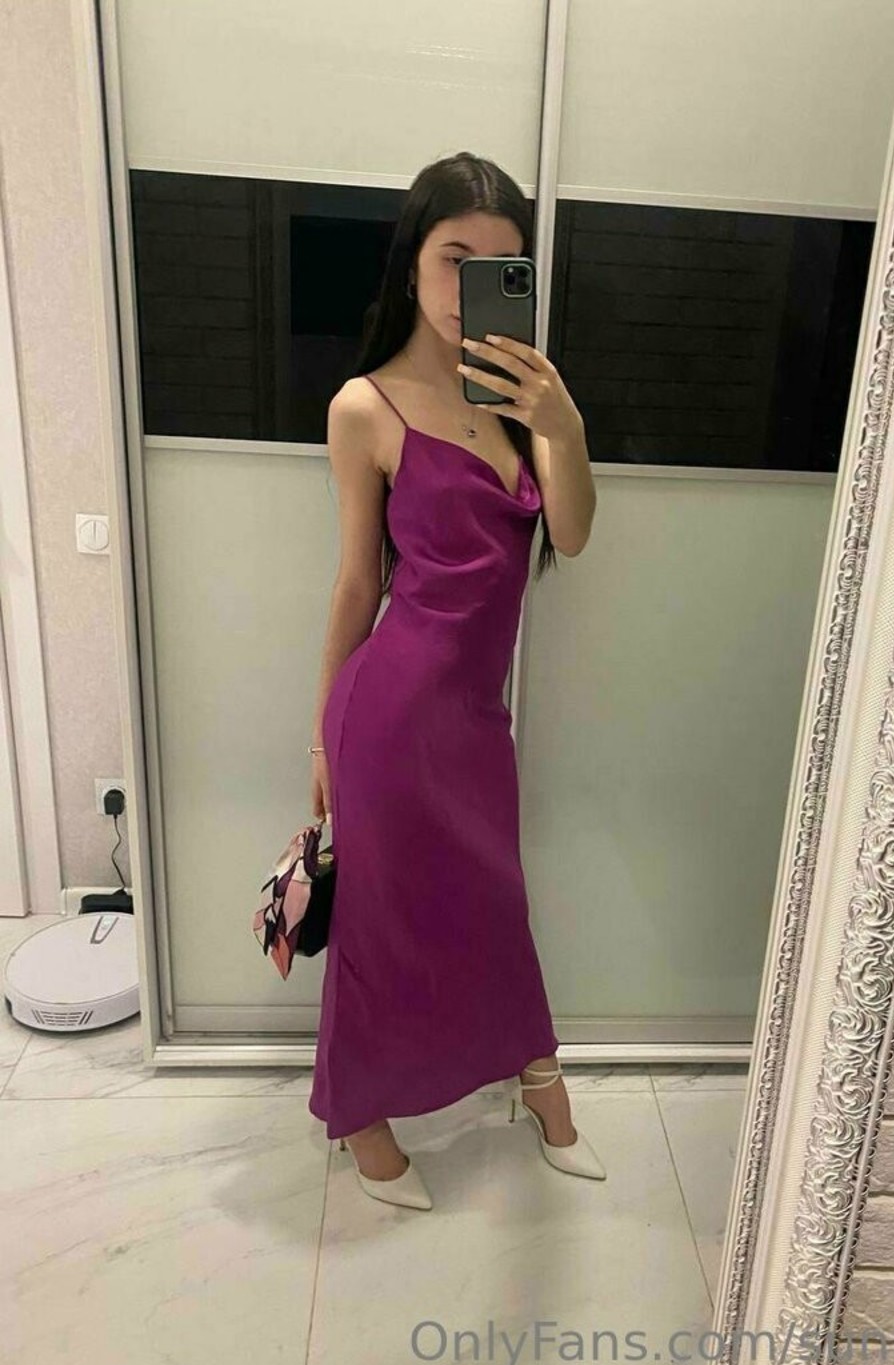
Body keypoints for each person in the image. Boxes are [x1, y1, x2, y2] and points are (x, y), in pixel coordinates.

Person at [307, 152, 603, 1210]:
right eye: (453, 257)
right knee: (378, 926)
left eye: (499, 265)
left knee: (493, 907)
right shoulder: (364, 407)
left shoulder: (523, 398)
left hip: (475, 723)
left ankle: (535, 1085)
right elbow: (357, 582)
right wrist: (320, 738)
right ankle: (362, 1116)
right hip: (389, 718)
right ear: (413, 263)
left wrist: (564, 427)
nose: (470, 284)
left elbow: (571, 532)